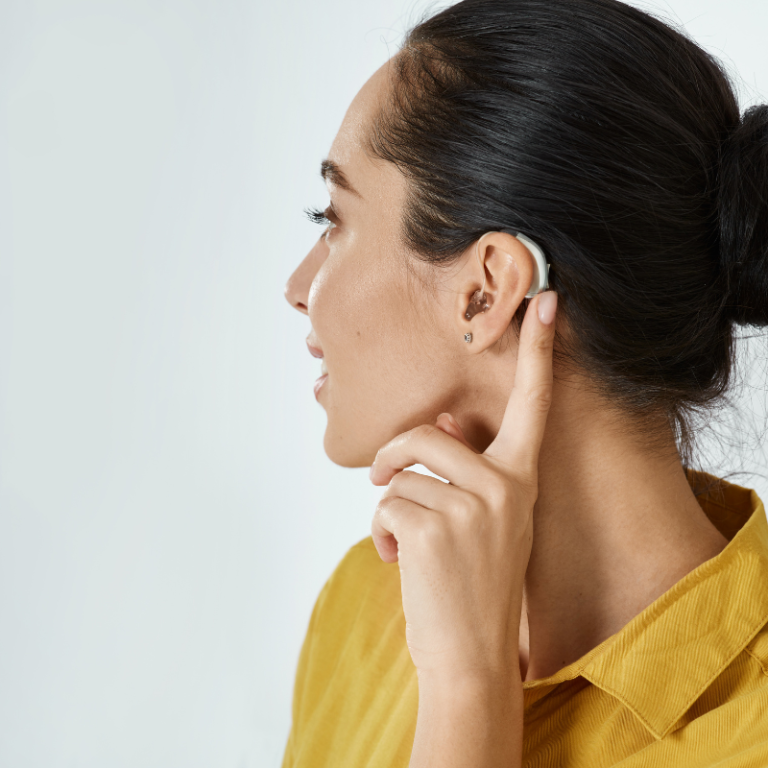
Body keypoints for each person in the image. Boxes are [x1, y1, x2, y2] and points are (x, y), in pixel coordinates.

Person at [281, 0, 768, 765]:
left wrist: (468, 688)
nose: (298, 285)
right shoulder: (370, 607)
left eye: (334, 218)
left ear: (486, 289)